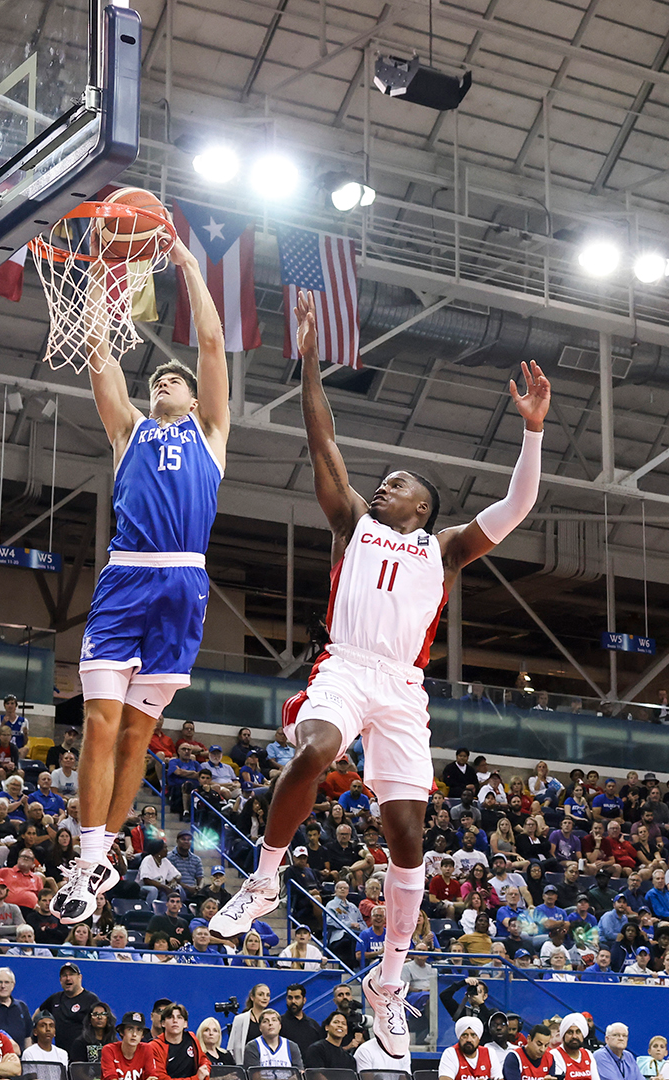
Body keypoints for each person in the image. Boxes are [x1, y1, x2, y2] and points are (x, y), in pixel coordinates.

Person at [212, 295, 549, 1056]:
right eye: (382, 481)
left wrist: (531, 431)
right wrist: (306, 356)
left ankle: (388, 979)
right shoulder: (352, 525)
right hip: (344, 665)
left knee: (407, 839)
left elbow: (519, 504)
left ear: (422, 507)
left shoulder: (448, 548)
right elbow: (321, 435)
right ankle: (266, 877)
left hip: (402, 688)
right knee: (315, 749)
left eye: (396, 483)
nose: (381, 487)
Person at [52, 238, 231, 924]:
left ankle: (103, 850)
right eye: (157, 377)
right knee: (98, 722)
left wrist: (186, 263)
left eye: (174, 379)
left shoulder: (210, 431)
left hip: (182, 587)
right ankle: (90, 855)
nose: (165, 381)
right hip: (126, 579)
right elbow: (99, 353)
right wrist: (102, 279)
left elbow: (212, 344)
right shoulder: (127, 429)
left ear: (191, 397)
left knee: (136, 736)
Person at [100, 1013, 157, 1080]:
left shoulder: (147, 1049)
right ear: (122, 1032)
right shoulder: (109, 1050)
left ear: (142, 1035)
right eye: (130, 1029)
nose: (134, 1034)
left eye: (139, 1030)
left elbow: (151, 1075)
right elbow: (111, 1077)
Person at [441, 1016, 495, 1080]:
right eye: (464, 1035)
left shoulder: (489, 1053)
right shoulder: (451, 1053)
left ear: (479, 1038)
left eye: (473, 1035)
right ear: (459, 1037)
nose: (469, 1039)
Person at [21, 1013, 69, 1080]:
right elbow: (31, 1078)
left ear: (55, 1032)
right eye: (43, 1026)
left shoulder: (62, 1054)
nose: (48, 1029)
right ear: (35, 1031)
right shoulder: (29, 1053)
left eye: (51, 1026)